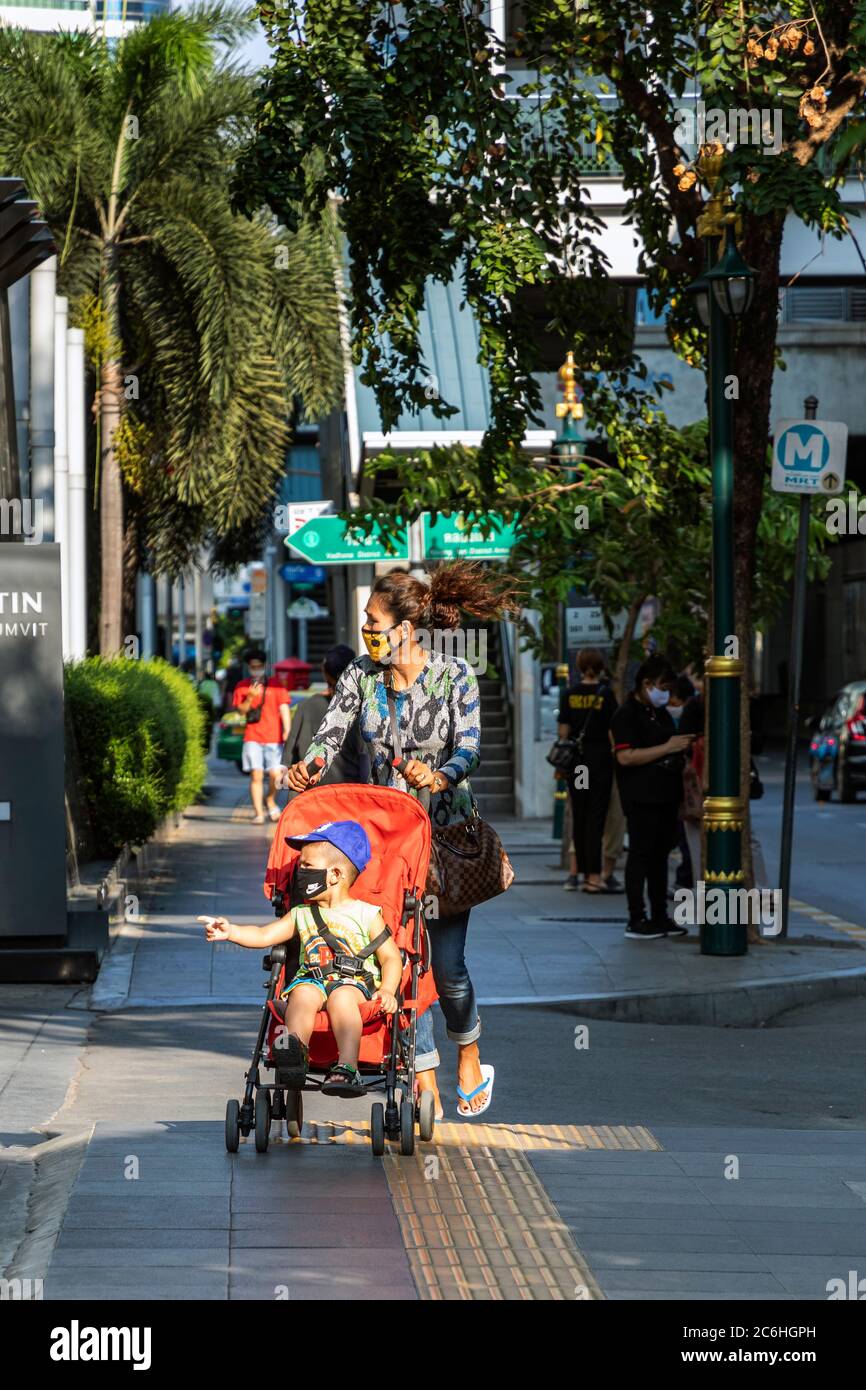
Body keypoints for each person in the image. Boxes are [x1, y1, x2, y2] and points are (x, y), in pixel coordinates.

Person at [283, 561, 517, 1119]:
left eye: (373, 620)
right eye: (365, 621)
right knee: (404, 963)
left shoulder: (455, 674)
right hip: (384, 842)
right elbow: (330, 732)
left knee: (450, 968)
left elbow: (470, 745)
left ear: (407, 627)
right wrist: (309, 766)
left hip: (443, 836)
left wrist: (440, 776)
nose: (365, 630)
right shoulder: (361, 677)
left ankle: (468, 1049)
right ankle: (424, 1075)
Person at [200, 820, 402, 1096]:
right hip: (313, 979)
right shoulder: (300, 914)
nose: (300, 871)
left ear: (334, 874)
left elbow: (391, 957)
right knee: (301, 995)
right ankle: (296, 1055)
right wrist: (231, 931)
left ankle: (347, 1066)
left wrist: (388, 989)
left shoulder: (367, 914)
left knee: (342, 997)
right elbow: (262, 935)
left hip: (354, 983)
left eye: (306, 866)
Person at [611, 655, 694, 940]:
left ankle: (660, 915)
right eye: (662, 687)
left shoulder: (658, 714)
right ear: (646, 684)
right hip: (641, 797)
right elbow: (626, 757)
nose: (666, 694)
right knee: (641, 856)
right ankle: (637, 918)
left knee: (660, 858)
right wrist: (669, 747)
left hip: (666, 795)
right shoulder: (626, 715)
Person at [557, 648, 617, 893]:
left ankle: (581, 873)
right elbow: (613, 731)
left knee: (579, 817)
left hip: (577, 765)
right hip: (600, 762)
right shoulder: (606, 694)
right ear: (601, 667)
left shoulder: (569, 694)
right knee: (596, 817)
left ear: (579, 667)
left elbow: (563, 732)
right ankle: (594, 875)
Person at [282, 645, 369, 796]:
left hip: (312, 801)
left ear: (325, 673)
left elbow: (285, 767)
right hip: (352, 800)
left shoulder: (304, 707)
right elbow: (366, 767)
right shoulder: (365, 711)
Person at [232, 649, 292, 824]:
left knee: (277, 776)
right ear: (248, 667)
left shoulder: (276, 685)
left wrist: (287, 729)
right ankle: (259, 813)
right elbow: (240, 710)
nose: (256, 669)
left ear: (265, 666)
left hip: (274, 738)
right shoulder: (242, 686)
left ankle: (270, 800)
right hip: (252, 737)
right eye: (253, 667)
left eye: (259, 666)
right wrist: (250, 697)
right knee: (256, 776)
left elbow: (284, 709)